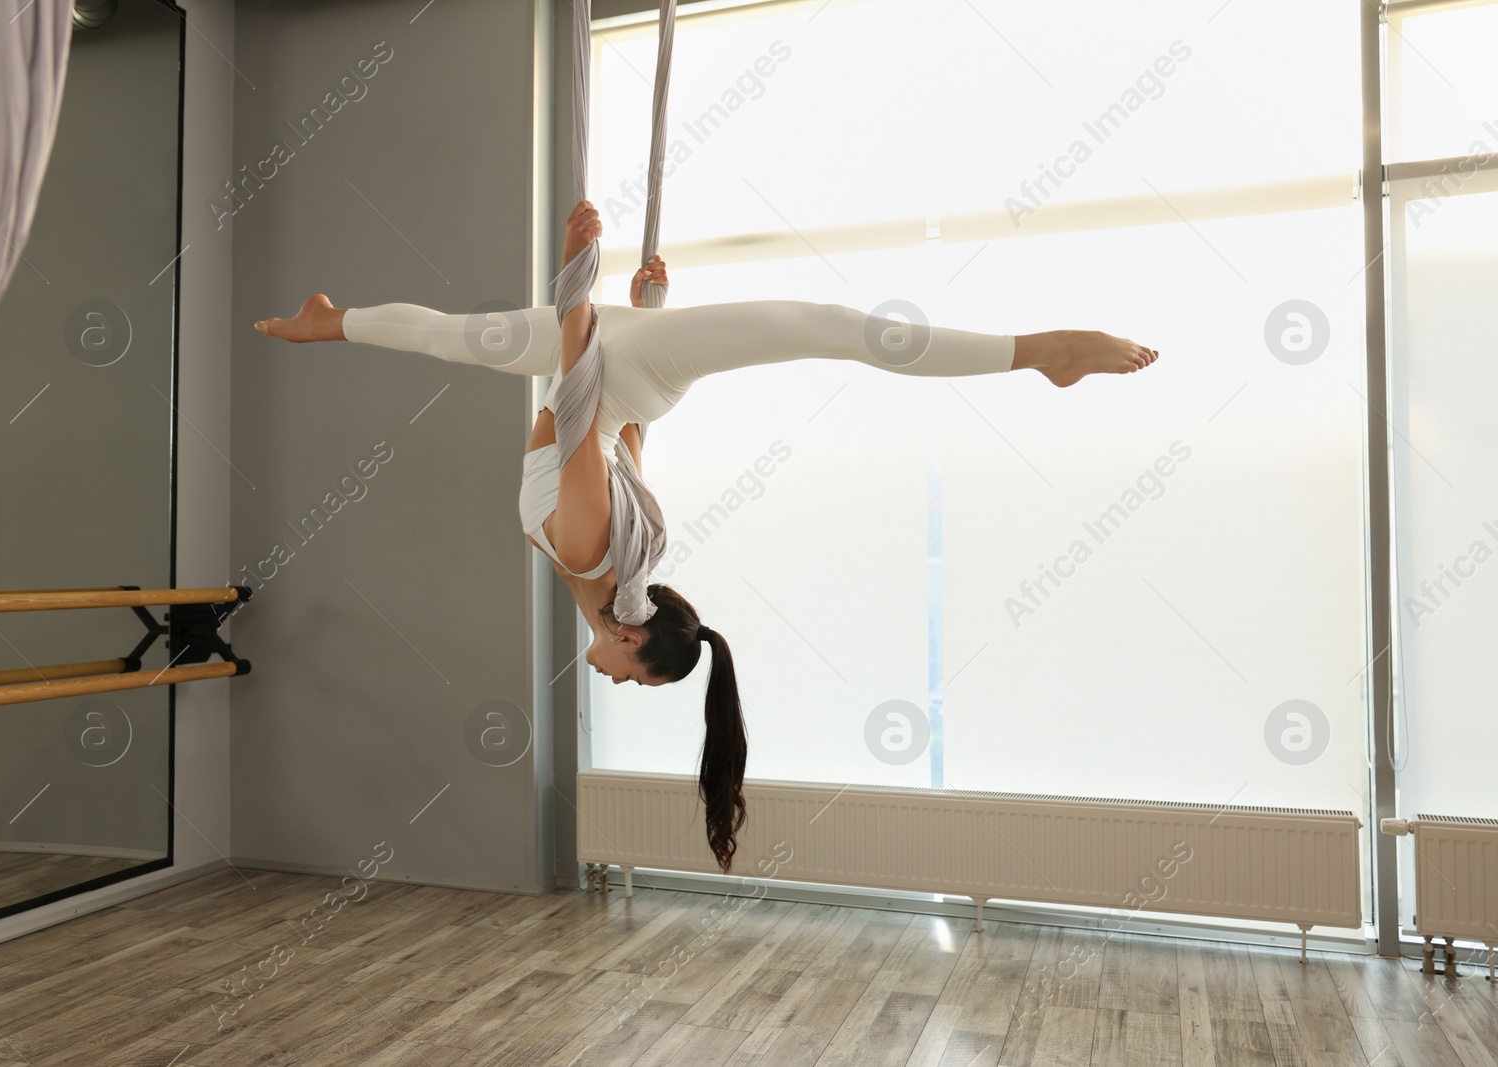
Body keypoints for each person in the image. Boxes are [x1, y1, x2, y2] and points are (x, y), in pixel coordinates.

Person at [255, 200, 1160, 870]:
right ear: (629, 635)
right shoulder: (584, 554)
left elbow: (621, 438)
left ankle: (327, 320)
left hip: (634, 379)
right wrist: (582, 278)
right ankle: (1044, 351)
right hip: (610, 360)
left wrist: (650, 310)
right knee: (825, 329)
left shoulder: (625, 561)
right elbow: (573, 404)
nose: (617, 679)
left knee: (466, 339)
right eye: (637, 676)